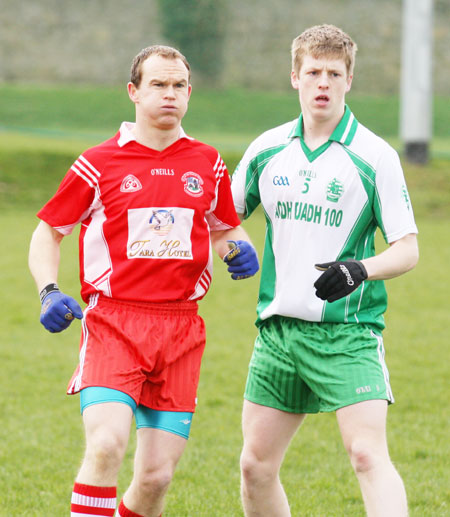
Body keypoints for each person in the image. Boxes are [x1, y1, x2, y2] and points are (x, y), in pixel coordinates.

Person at [29, 45, 259, 517]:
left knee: (156, 479)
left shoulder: (207, 163)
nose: (169, 94)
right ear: (133, 92)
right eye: (158, 84)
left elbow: (224, 226)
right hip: (114, 323)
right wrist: (48, 290)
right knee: (107, 445)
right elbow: (47, 233)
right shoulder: (98, 162)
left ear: (190, 94)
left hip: (180, 329)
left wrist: (238, 247)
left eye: (178, 86)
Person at [231, 24, 418, 517]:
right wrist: (236, 245)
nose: (323, 82)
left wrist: (360, 269)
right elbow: (220, 218)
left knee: (365, 454)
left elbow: (407, 249)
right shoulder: (268, 150)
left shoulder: (374, 156)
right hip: (278, 333)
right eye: (313, 71)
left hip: (348, 333)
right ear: (294, 76)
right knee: (255, 466)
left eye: (335, 73)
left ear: (349, 81)